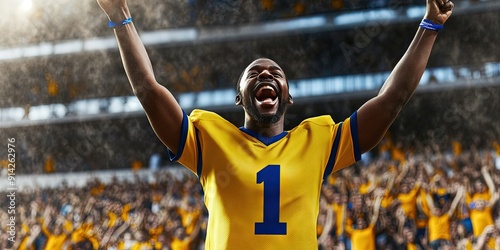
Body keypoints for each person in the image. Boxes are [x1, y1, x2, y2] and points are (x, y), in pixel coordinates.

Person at [94, 0, 454, 248]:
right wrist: (121, 17)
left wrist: (431, 24)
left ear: (288, 96)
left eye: (275, 73)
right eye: (254, 73)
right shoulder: (209, 137)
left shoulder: (319, 140)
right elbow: (147, 90)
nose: (265, 74)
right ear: (240, 98)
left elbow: (392, 101)